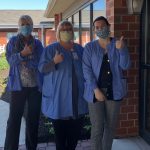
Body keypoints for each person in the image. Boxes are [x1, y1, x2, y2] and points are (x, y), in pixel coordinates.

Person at [82, 16, 131, 150]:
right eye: (96, 28)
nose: (99, 29)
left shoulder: (118, 44)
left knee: (110, 127)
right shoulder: (89, 47)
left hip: (114, 91)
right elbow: (86, 70)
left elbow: (126, 65)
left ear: (108, 27)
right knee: (97, 127)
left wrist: (122, 50)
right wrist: (96, 90)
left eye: (102, 26)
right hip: (94, 92)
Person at [38, 20, 88, 150]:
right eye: (63, 29)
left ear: (73, 32)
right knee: (60, 140)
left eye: (69, 29)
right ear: (58, 33)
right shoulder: (50, 49)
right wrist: (54, 61)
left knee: (74, 139)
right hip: (58, 101)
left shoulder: (79, 49)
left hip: (78, 102)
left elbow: (88, 69)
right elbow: (41, 68)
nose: (66, 31)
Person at [4, 15, 43, 150]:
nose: (26, 26)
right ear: (19, 26)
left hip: (35, 87)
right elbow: (11, 61)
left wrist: (25, 59)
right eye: (23, 24)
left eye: (28, 24)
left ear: (32, 26)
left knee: (33, 120)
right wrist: (22, 54)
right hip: (18, 87)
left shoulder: (37, 44)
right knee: (14, 120)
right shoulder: (13, 41)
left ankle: (31, 147)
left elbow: (40, 62)